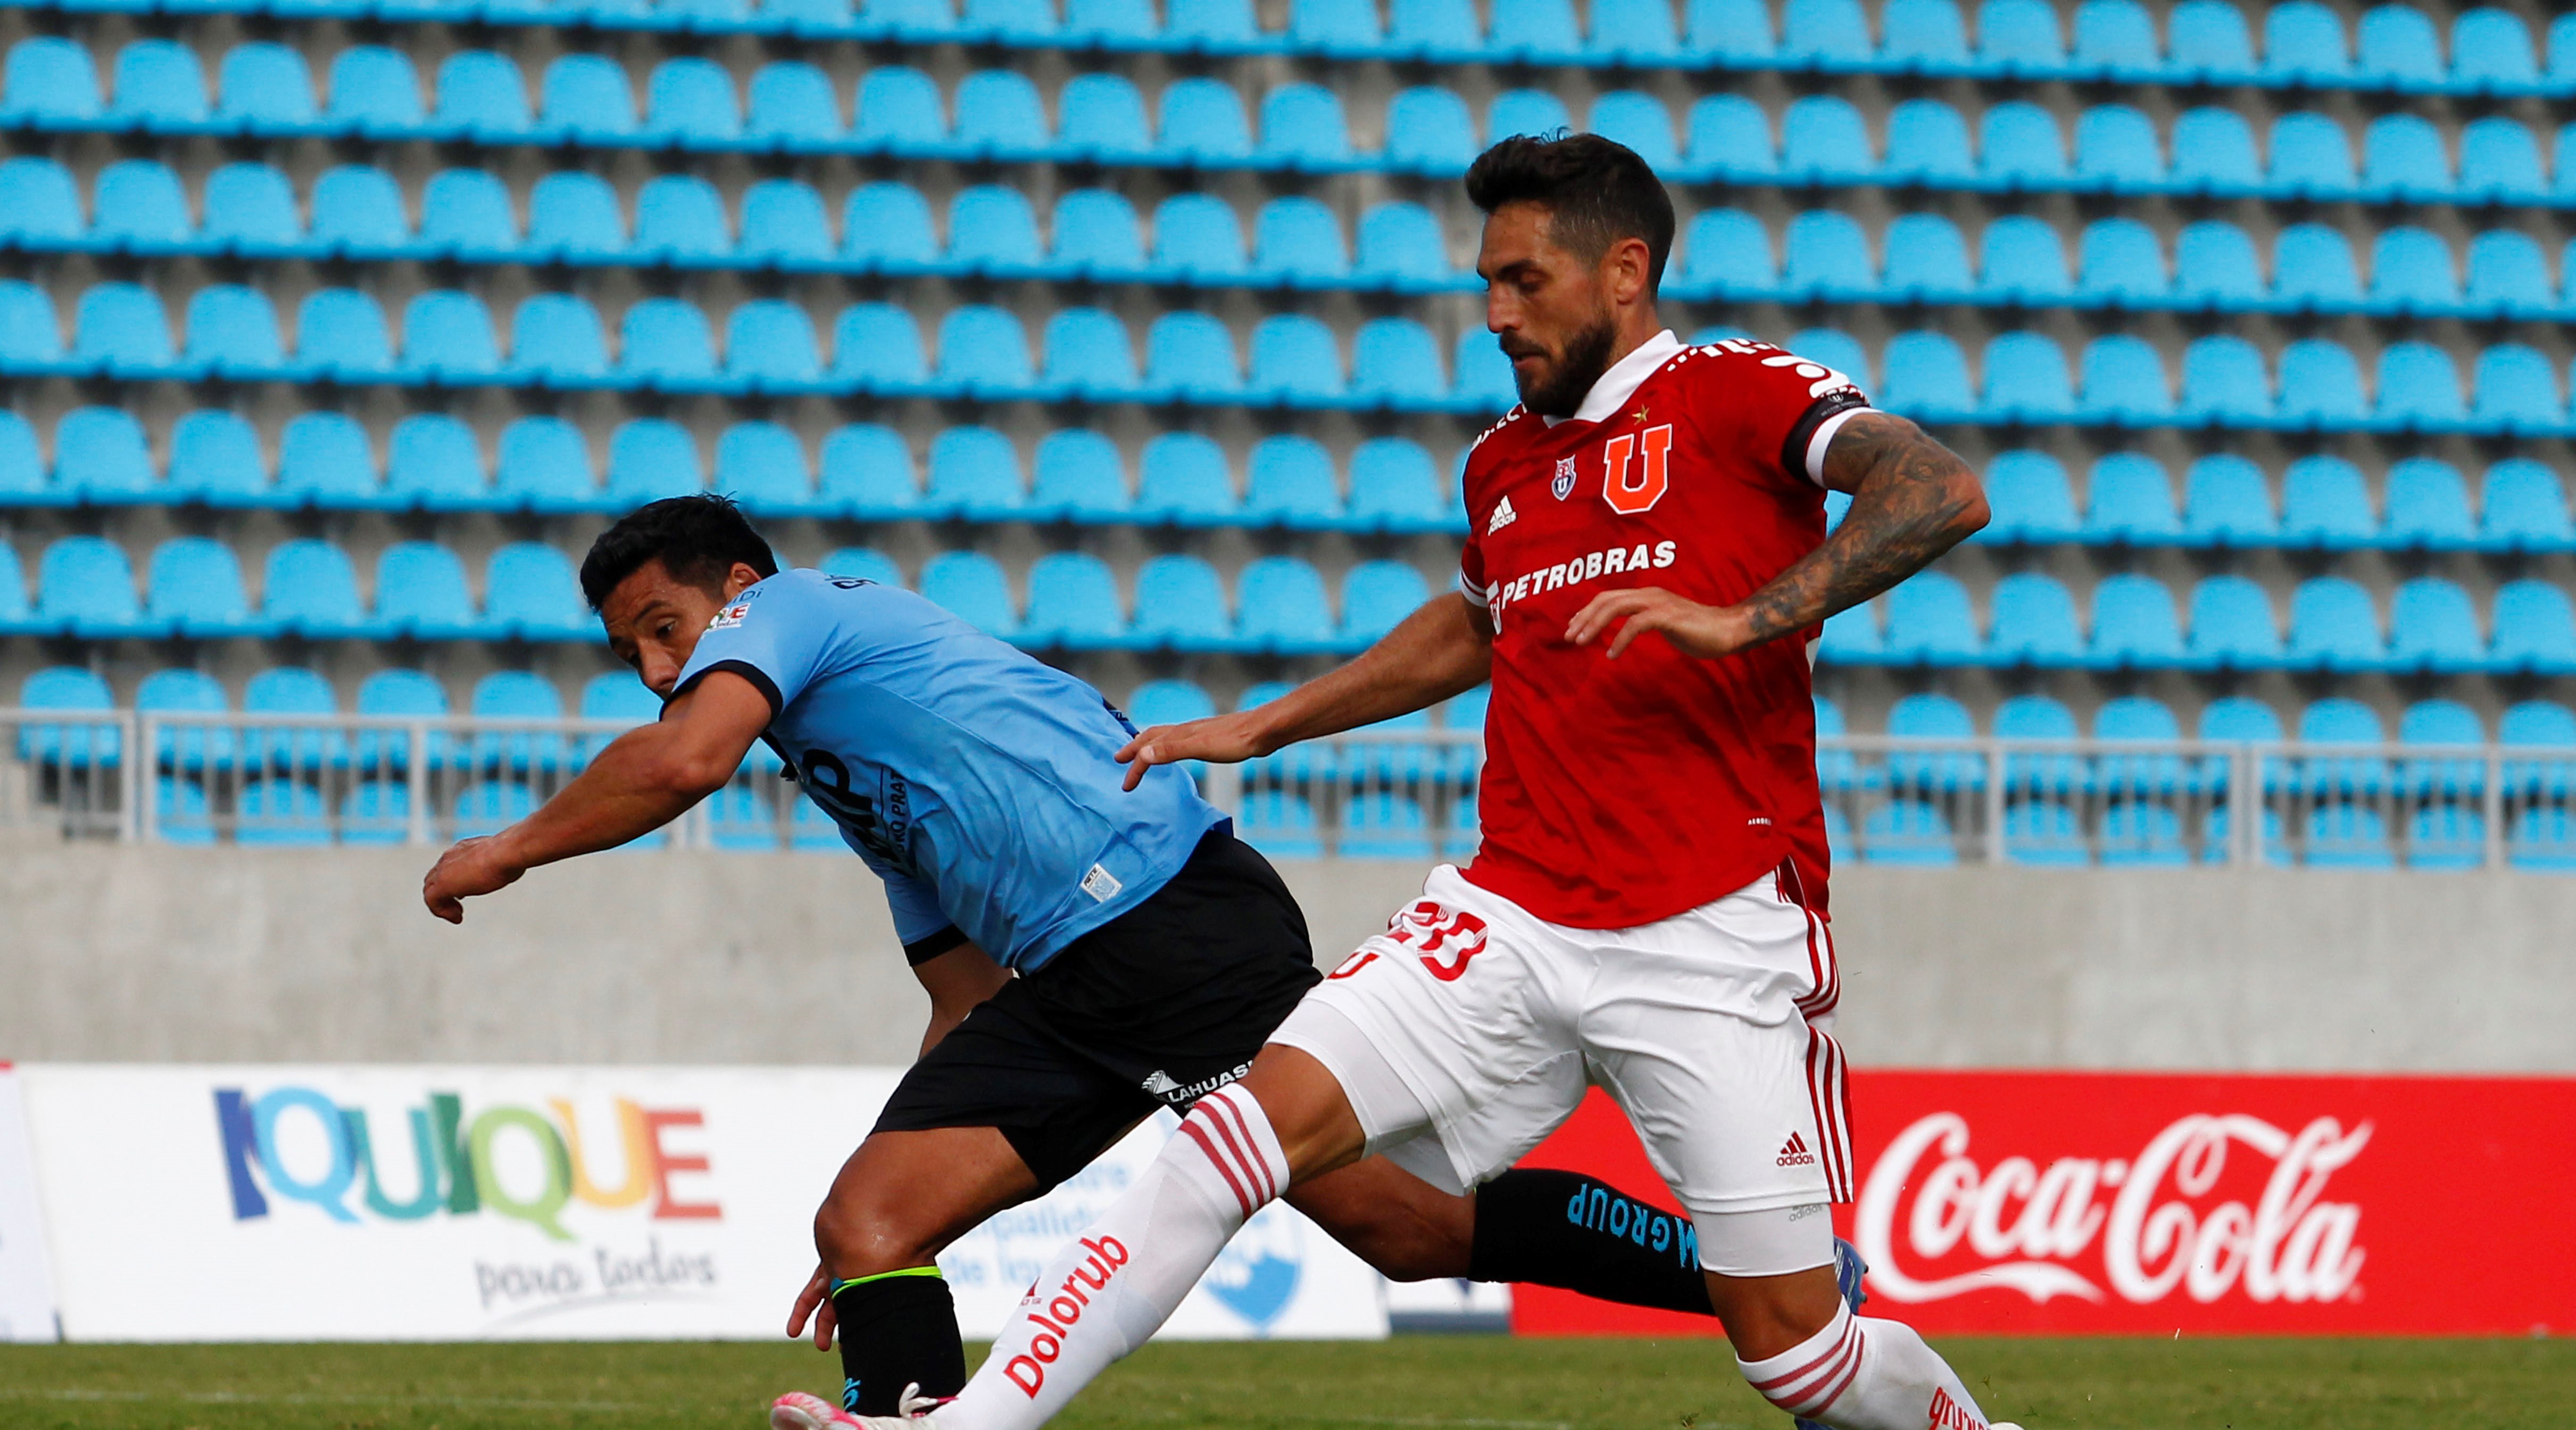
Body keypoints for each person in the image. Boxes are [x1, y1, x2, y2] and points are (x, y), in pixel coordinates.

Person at [803, 134, 2021, 1430]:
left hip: (1709, 926)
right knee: (1235, 1138)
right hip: (1511, 912)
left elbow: (1939, 488)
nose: (1496, 314)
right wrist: (1269, 726)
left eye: (1524, 279)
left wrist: (1750, 617)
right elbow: (1477, 626)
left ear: (1625, 272)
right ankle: (975, 1425)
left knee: (1799, 1362)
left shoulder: (1736, 391)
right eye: (1486, 282)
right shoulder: (1502, 461)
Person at [419, 494, 1761, 1420]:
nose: (656, 669)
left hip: (1173, 919)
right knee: (874, 1223)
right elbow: (959, 991)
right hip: (1091, 974)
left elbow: (681, 762)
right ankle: (911, 1409)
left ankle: (1762, 1280)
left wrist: (509, 849)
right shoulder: (851, 770)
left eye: (666, 629)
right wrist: (903, 1208)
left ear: (739, 593)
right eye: (631, 653)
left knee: (1417, 1232)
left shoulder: (807, 615)